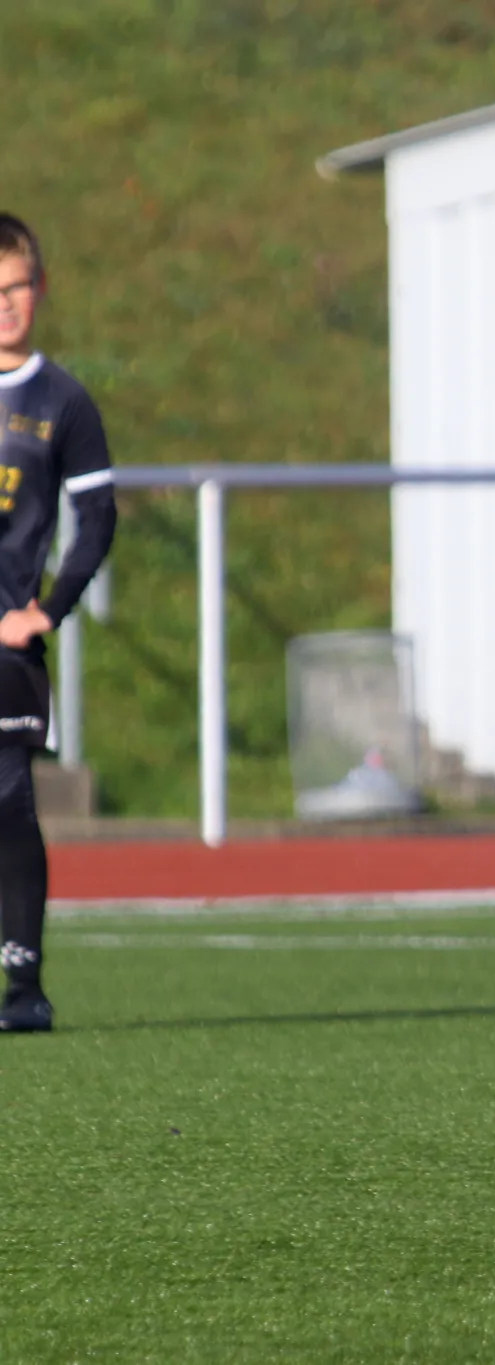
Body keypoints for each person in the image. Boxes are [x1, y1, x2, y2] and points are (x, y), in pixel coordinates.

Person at [0, 214, 118, 1033]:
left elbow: (97, 517)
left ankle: (24, 983)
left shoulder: (62, 401)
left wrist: (47, 609)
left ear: (40, 289)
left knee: (8, 799)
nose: (6, 304)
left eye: (17, 287)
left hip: (8, 649)